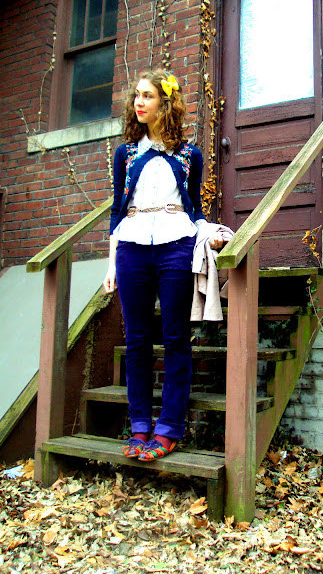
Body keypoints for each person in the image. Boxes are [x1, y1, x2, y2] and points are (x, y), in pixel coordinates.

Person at [103, 68, 223, 462]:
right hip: (132, 248)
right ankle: (140, 426)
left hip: (176, 246)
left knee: (175, 339)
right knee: (137, 341)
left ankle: (169, 428)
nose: (138, 102)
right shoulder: (125, 154)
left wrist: (209, 235)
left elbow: (195, 207)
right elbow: (117, 211)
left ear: (165, 104)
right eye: (137, 95)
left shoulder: (189, 155)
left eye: (148, 96)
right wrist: (111, 265)